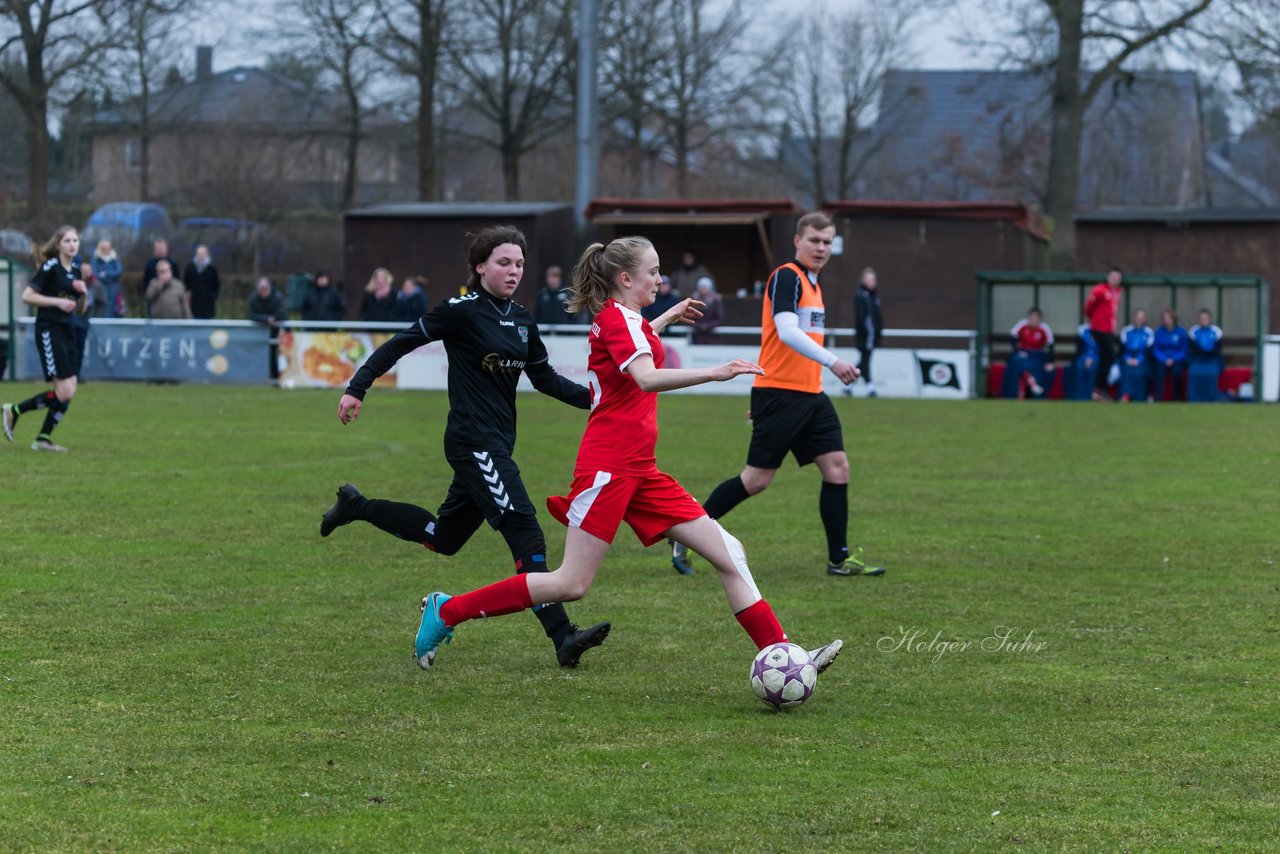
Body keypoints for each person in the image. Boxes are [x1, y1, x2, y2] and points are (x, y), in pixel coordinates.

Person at [409, 235, 844, 682]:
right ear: (626, 278)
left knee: (729, 553)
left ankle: (784, 654)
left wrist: (667, 317)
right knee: (570, 584)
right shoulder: (618, 321)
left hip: (640, 469)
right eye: (653, 272)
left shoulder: (624, 318)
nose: (660, 278)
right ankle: (448, 610)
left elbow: (635, 337)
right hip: (609, 467)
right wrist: (715, 372)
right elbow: (645, 377)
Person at [321, 226, 611, 669]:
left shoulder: (521, 318)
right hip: (472, 443)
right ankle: (563, 636)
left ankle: (355, 505)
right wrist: (357, 387)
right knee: (525, 533)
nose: (514, 271)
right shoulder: (460, 311)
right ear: (480, 267)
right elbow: (402, 343)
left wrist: (601, 401)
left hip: (497, 444)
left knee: (445, 539)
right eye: (503, 263)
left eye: (519, 264)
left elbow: (546, 379)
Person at [671, 212, 884, 578]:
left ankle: (839, 559)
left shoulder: (814, 284)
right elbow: (786, 331)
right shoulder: (787, 276)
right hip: (781, 394)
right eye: (814, 240)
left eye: (827, 241)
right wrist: (834, 362)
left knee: (837, 468)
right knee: (756, 480)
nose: (821, 247)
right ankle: (685, 534)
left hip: (811, 394)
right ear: (797, 241)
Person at [2, 226, 88, 452]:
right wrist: (57, 302)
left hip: (67, 329)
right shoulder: (51, 267)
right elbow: (27, 296)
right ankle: (15, 410)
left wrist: (84, 294)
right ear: (58, 244)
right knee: (64, 391)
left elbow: (79, 310)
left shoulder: (76, 269)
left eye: (75, 240)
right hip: (49, 329)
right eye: (68, 240)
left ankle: (42, 438)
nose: (72, 244)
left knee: (70, 389)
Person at [1084, 266, 1123, 401]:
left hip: (1109, 330)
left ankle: (1099, 390)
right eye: (1113, 276)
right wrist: (1096, 321)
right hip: (1100, 329)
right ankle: (1099, 389)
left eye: (1118, 277)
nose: (1115, 279)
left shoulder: (1117, 291)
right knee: (1109, 356)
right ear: (1108, 277)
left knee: (1107, 358)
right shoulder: (1099, 290)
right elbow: (1088, 308)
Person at [1003, 307, 1055, 399]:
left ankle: (1024, 389)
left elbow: (1050, 345)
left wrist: (1050, 362)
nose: (1033, 320)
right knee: (1018, 360)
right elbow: (1012, 337)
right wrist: (1018, 351)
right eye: (1031, 318)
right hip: (1024, 352)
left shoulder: (1044, 328)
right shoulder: (1022, 324)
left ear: (1040, 319)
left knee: (1033, 364)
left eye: (1036, 318)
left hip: (1037, 354)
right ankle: (1032, 383)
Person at [851, 267, 884, 397]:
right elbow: (861, 318)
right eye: (868, 279)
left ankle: (848, 386)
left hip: (872, 336)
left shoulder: (873, 297)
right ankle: (870, 389)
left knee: (864, 362)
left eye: (872, 279)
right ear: (863, 280)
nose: (871, 282)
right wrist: (867, 332)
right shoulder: (861, 296)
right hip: (865, 336)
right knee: (865, 362)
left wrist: (879, 331)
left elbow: (877, 317)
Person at [1151, 309, 1189, 401]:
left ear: (1173, 319)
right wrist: (1164, 359)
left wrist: (1173, 359)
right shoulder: (1158, 332)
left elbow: (1184, 349)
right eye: (1164, 318)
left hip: (1176, 360)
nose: (1166, 320)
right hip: (1162, 360)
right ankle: (1157, 398)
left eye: (1168, 318)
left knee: (1177, 373)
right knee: (1159, 373)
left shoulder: (1181, 332)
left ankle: (1178, 398)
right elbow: (1156, 349)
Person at [1187, 308, 1223, 402]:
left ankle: (1211, 398)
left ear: (1210, 319)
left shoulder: (1217, 331)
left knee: (1212, 371)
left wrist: (1207, 353)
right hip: (1198, 359)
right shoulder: (1193, 331)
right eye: (1201, 318)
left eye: (1205, 318)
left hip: (1212, 359)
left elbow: (1217, 349)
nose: (1203, 320)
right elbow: (1193, 349)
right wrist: (1203, 352)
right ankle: (1195, 399)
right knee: (1194, 371)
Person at [1118, 308, 1154, 402]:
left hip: (1142, 360)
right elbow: (1122, 350)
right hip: (1128, 359)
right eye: (1137, 317)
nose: (1139, 319)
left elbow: (1148, 352)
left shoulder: (1149, 332)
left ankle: (1141, 397)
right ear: (1134, 318)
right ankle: (1125, 395)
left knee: (1141, 371)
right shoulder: (1126, 331)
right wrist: (1127, 359)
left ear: (1145, 319)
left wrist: (1139, 360)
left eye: (1141, 318)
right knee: (1126, 369)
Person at [142, 239, 178, 318]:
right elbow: (145, 282)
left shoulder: (172, 263)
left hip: (170, 298)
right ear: (155, 250)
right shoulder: (150, 264)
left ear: (166, 249)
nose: (160, 250)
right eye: (158, 249)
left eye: (162, 248)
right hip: (154, 297)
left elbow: (177, 281)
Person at [183, 244, 221, 320]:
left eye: (202, 254)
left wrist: (213, 296)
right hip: (194, 305)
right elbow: (185, 284)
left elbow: (216, 285)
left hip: (208, 305)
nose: (200, 256)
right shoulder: (190, 267)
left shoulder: (212, 268)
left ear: (206, 254)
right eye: (199, 254)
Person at [91, 239, 124, 318]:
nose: (106, 249)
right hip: (101, 288)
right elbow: (95, 274)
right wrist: (111, 276)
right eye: (104, 248)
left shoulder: (115, 260)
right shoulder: (95, 260)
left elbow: (118, 272)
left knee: (115, 308)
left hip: (114, 289)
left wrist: (105, 274)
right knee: (103, 307)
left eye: (108, 247)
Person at [1067, 323, 1099, 400]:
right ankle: (1079, 398)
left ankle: (1091, 398)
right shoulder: (1082, 329)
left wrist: (1092, 358)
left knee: (1093, 369)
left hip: (1097, 358)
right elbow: (1079, 349)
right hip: (1082, 358)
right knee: (1079, 367)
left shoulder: (1103, 330)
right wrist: (1086, 358)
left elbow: (1104, 350)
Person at [690, 276, 723, 344]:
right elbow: (690, 317)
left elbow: (719, 318)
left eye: (706, 287)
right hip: (697, 335)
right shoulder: (694, 300)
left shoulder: (715, 300)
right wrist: (699, 326)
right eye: (702, 287)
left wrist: (708, 326)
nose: (704, 289)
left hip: (712, 335)